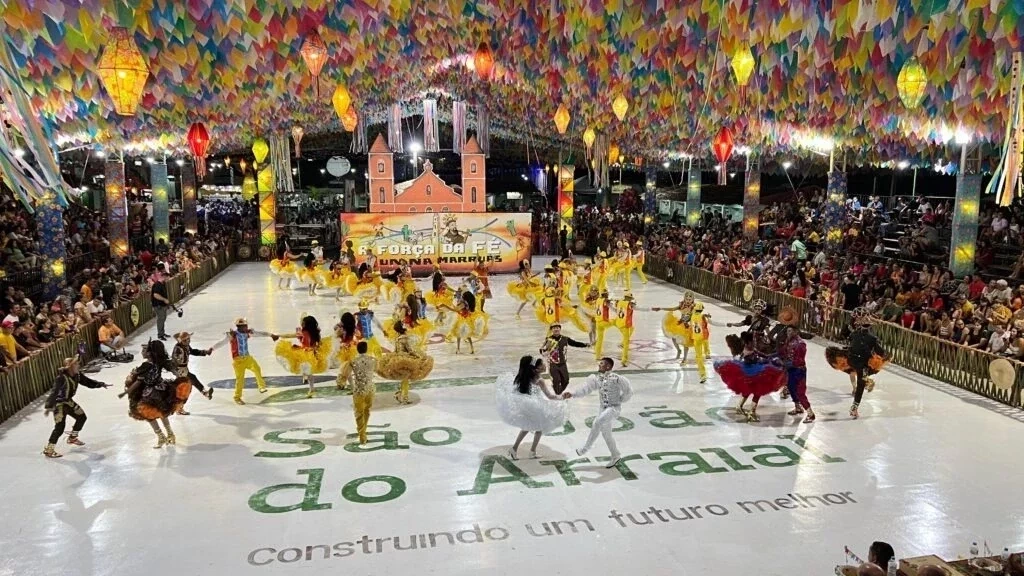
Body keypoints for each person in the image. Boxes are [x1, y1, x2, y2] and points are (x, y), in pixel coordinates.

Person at [563, 357, 633, 468]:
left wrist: (621, 399)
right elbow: (586, 389)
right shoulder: (598, 379)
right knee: (606, 434)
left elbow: (628, 390)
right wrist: (573, 393)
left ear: (608, 366)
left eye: (601, 363)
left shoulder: (616, 378)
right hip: (603, 408)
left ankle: (585, 448)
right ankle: (616, 455)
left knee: (597, 422)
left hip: (613, 408)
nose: (599, 365)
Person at [120, 340, 189, 448]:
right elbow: (171, 368)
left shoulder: (146, 365)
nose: (142, 352)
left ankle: (161, 436)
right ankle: (170, 434)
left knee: (148, 414)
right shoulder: (159, 362)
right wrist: (178, 375)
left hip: (149, 393)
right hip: (162, 389)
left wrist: (126, 392)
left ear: (150, 353)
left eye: (144, 350)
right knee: (162, 412)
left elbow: (138, 382)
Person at [498, 355, 567, 460]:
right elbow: (550, 396)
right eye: (542, 364)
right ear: (536, 369)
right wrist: (561, 397)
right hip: (536, 406)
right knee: (539, 428)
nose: (545, 365)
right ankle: (532, 452)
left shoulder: (525, 378)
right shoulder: (539, 380)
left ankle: (515, 448)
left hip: (527, 406)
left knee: (527, 427)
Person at [42, 357, 110, 458]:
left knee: (82, 417)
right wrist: (49, 406)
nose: (78, 365)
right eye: (76, 364)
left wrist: (100, 384)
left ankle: (72, 437)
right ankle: (49, 449)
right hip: (59, 405)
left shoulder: (78, 375)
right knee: (59, 428)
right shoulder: (61, 378)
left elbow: (87, 382)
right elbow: (54, 392)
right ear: (70, 367)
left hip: (69, 402)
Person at [715, 331, 786, 422]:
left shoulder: (752, 349)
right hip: (750, 374)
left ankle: (739, 406)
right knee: (758, 392)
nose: (754, 342)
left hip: (753, 372)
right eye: (752, 341)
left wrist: (776, 354)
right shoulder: (746, 352)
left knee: (748, 391)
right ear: (747, 343)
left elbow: (765, 356)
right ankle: (751, 412)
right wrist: (762, 361)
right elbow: (752, 361)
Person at [222, 317, 276, 405]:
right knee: (240, 380)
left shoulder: (247, 333)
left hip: (247, 358)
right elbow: (222, 342)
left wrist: (271, 335)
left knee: (257, 368)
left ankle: (261, 387)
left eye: (246, 325)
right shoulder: (232, 335)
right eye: (244, 326)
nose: (246, 327)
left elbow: (259, 334)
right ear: (239, 327)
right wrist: (211, 349)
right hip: (238, 361)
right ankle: (237, 397)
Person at [275, 315, 331, 398]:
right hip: (312, 353)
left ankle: (311, 388)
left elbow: (290, 335)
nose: (302, 324)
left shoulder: (303, 332)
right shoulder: (315, 331)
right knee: (308, 372)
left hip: (306, 354)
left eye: (303, 323)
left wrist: (278, 335)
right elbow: (318, 343)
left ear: (307, 324)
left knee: (308, 372)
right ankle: (310, 386)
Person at [377, 322, 433, 405]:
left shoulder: (397, 338)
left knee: (404, 378)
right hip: (406, 361)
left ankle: (401, 394)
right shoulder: (405, 338)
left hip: (398, 359)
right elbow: (410, 350)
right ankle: (404, 397)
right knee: (405, 379)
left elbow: (396, 350)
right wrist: (419, 356)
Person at [339, 341, 377, 444]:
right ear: (366, 349)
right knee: (367, 410)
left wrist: (340, 383)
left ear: (357, 349)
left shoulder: (353, 361)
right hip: (370, 389)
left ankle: (362, 435)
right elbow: (379, 370)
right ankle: (363, 431)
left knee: (359, 413)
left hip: (359, 390)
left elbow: (345, 375)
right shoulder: (373, 360)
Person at [778, 323, 814, 422]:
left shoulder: (800, 344)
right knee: (791, 388)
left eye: (790, 331)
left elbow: (799, 361)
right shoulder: (788, 341)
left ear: (796, 332)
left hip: (799, 371)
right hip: (791, 370)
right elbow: (783, 352)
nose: (788, 333)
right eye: (787, 331)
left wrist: (784, 364)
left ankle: (810, 414)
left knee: (800, 392)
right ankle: (798, 407)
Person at [171, 331, 214, 414]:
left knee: (186, 389)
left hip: (184, 369)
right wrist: (177, 370)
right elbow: (174, 360)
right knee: (192, 380)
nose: (188, 341)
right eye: (186, 340)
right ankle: (205, 393)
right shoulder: (177, 348)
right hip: (179, 370)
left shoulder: (186, 346)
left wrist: (205, 352)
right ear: (182, 341)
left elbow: (193, 351)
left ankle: (179, 408)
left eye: (188, 339)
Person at [540, 324, 590, 394]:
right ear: (552, 330)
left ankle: (559, 392)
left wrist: (585, 345)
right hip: (552, 363)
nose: (556, 329)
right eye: (554, 328)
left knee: (566, 380)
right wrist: (545, 351)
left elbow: (575, 343)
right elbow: (541, 350)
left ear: (560, 329)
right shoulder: (548, 339)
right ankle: (558, 394)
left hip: (563, 363)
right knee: (556, 380)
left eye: (557, 328)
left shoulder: (565, 339)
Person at [150, 270, 172, 340]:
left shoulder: (163, 284)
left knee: (163, 319)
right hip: (158, 305)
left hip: (162, 305)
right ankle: (160, 335)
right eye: (167, 278)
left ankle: (162, 332)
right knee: (160, 319)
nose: (168, 280)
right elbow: (155, 295)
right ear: (164, 277)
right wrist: (164, 299)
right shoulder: (157, 285)